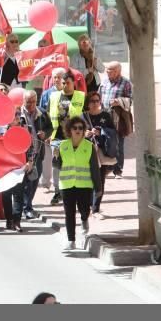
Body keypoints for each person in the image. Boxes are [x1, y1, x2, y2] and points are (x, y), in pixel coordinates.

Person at [59, 116, 102, 251]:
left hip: (84, 185)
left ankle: (84, 220)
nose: (78, 130)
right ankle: (71, 240)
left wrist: (98, 187)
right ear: (69, 130)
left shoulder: (89, 147)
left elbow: (95, 168)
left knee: (84, 210)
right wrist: (55, 157)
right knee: (69, 213)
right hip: (67, 185)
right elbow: (57, 165)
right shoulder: (63, 145)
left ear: (84, 130)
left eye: (81, 128)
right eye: (75, 128)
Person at [48, 72, 86, 205]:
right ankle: (58, 191)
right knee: (56, 162)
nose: (64, 85)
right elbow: (49, 114)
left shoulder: (80, 96)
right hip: (57, 136)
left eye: (68, 82)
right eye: (63, 83)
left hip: (74, 137)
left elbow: (85, 116)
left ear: (73, 82)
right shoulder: (54, 96)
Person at [83, 91, 117, 219]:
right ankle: (87, 206)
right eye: (92, 101)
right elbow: (74, 134)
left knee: (100, 181)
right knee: (86, 181)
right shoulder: (82, 117)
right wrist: (84, 135)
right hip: (86, 153)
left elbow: (113, 133)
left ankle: (96, 209)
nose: (95, 103)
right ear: (88, 103)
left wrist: (101, 132)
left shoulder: (106, 116)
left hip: (101, 152)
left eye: (97, 101)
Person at [19, 90, 52, 220]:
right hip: (22, 155)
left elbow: (50, 127)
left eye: (33, 102)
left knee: (34, 180)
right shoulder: (17, 114)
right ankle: (26, 207)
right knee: (25, 182)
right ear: (23, 101)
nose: (31, 105)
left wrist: (45, 134)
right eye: (28, 102)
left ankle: (27, 206)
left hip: (38, 153)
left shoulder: (42, 113)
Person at [98, 61, 133, 178]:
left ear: (118, 71)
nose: (107, 73)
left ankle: (118, 170)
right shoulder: (104, 81)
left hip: (118, 117)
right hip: (104, 116)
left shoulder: (126, 83)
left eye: (110, 70)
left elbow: (131, 99)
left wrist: (119, 101)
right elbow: (98, 96)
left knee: (118, 143)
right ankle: (106, 167)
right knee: (104, 141)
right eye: (106, 70)